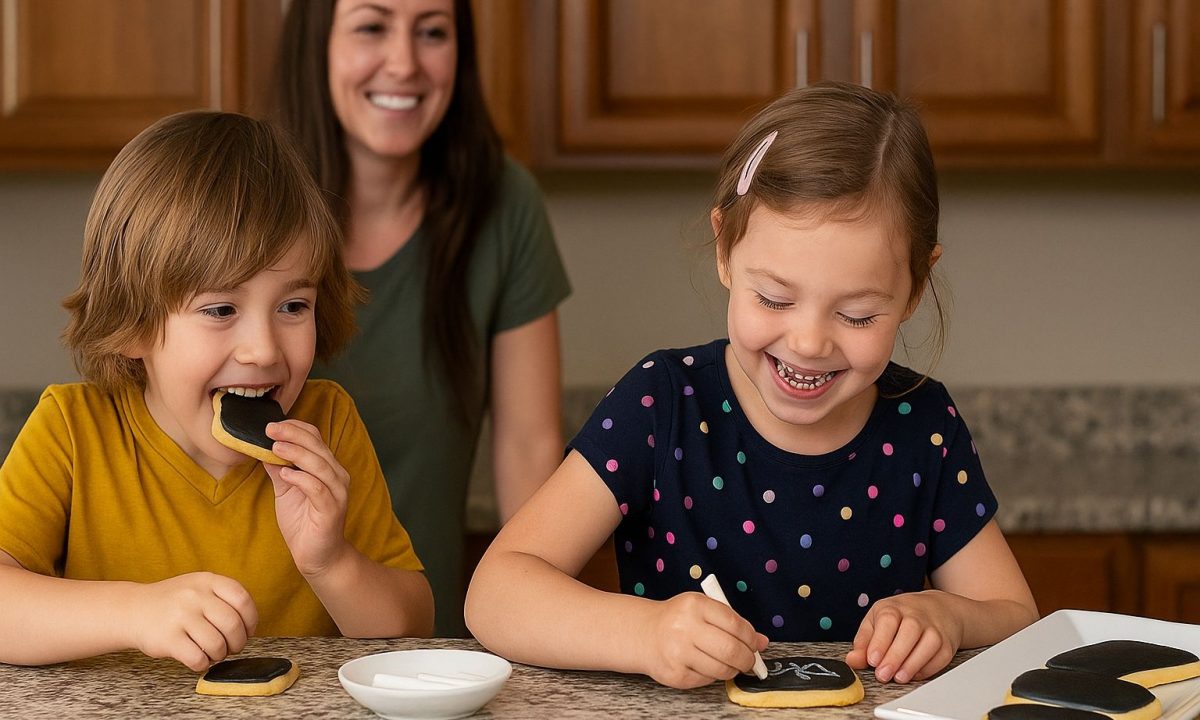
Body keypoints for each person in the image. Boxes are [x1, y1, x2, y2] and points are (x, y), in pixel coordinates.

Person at [465, 82, 1038, 689]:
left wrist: (948, 615)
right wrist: (643, 633)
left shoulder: (925, 425)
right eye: (774, 298)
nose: (810, 342)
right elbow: (494, 594)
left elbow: (1015, 617)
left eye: (858, 315)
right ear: (724, 249)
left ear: (916, 289)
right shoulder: (663, 403)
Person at [0, 111, 434, 671]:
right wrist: (135, 611)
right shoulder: (71, 430)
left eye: (293, 307)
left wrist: (331, 562)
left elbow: (411, 629)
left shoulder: (327, 423)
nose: (264, 350)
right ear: (134, 325)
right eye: (220, 309)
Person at [274, 0, 571, 636]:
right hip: (254, 641)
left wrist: (544, 617)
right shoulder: (243, 204)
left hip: (411, 644)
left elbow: (528, 446)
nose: (405, 62)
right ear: (316, 42)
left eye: (432, 31)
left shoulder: (503, 205)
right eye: (372, 26)